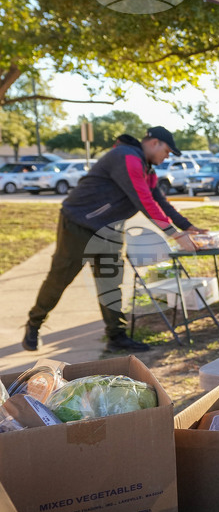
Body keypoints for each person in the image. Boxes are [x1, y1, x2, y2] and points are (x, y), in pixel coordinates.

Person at [22, 126, 207, 354]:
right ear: (154, 143)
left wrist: (188, 227)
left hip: (110, 229)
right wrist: (175, 234)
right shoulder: (127, 158)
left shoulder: (148, 170)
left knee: (110, 282)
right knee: (60, 278)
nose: (167, 157)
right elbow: (144, 202)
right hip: (78, 224)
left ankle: (117, 337)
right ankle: (34, 324)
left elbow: (161, 202)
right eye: (167, 151)